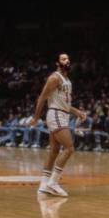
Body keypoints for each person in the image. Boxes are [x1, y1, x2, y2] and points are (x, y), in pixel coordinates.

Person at [30, 53, 86, 197]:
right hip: (56, 114)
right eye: (63, 59)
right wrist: (36, 118)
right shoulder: (54, 78)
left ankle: (44, 184)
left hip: (62, 114)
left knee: (54, 150)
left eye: (68, 58)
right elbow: (42, 97)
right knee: (69, 149)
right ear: (57, 63)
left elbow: (65, 104)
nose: (67, 60)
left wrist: (76, 112)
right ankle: (53, 183)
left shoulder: (67, 80)